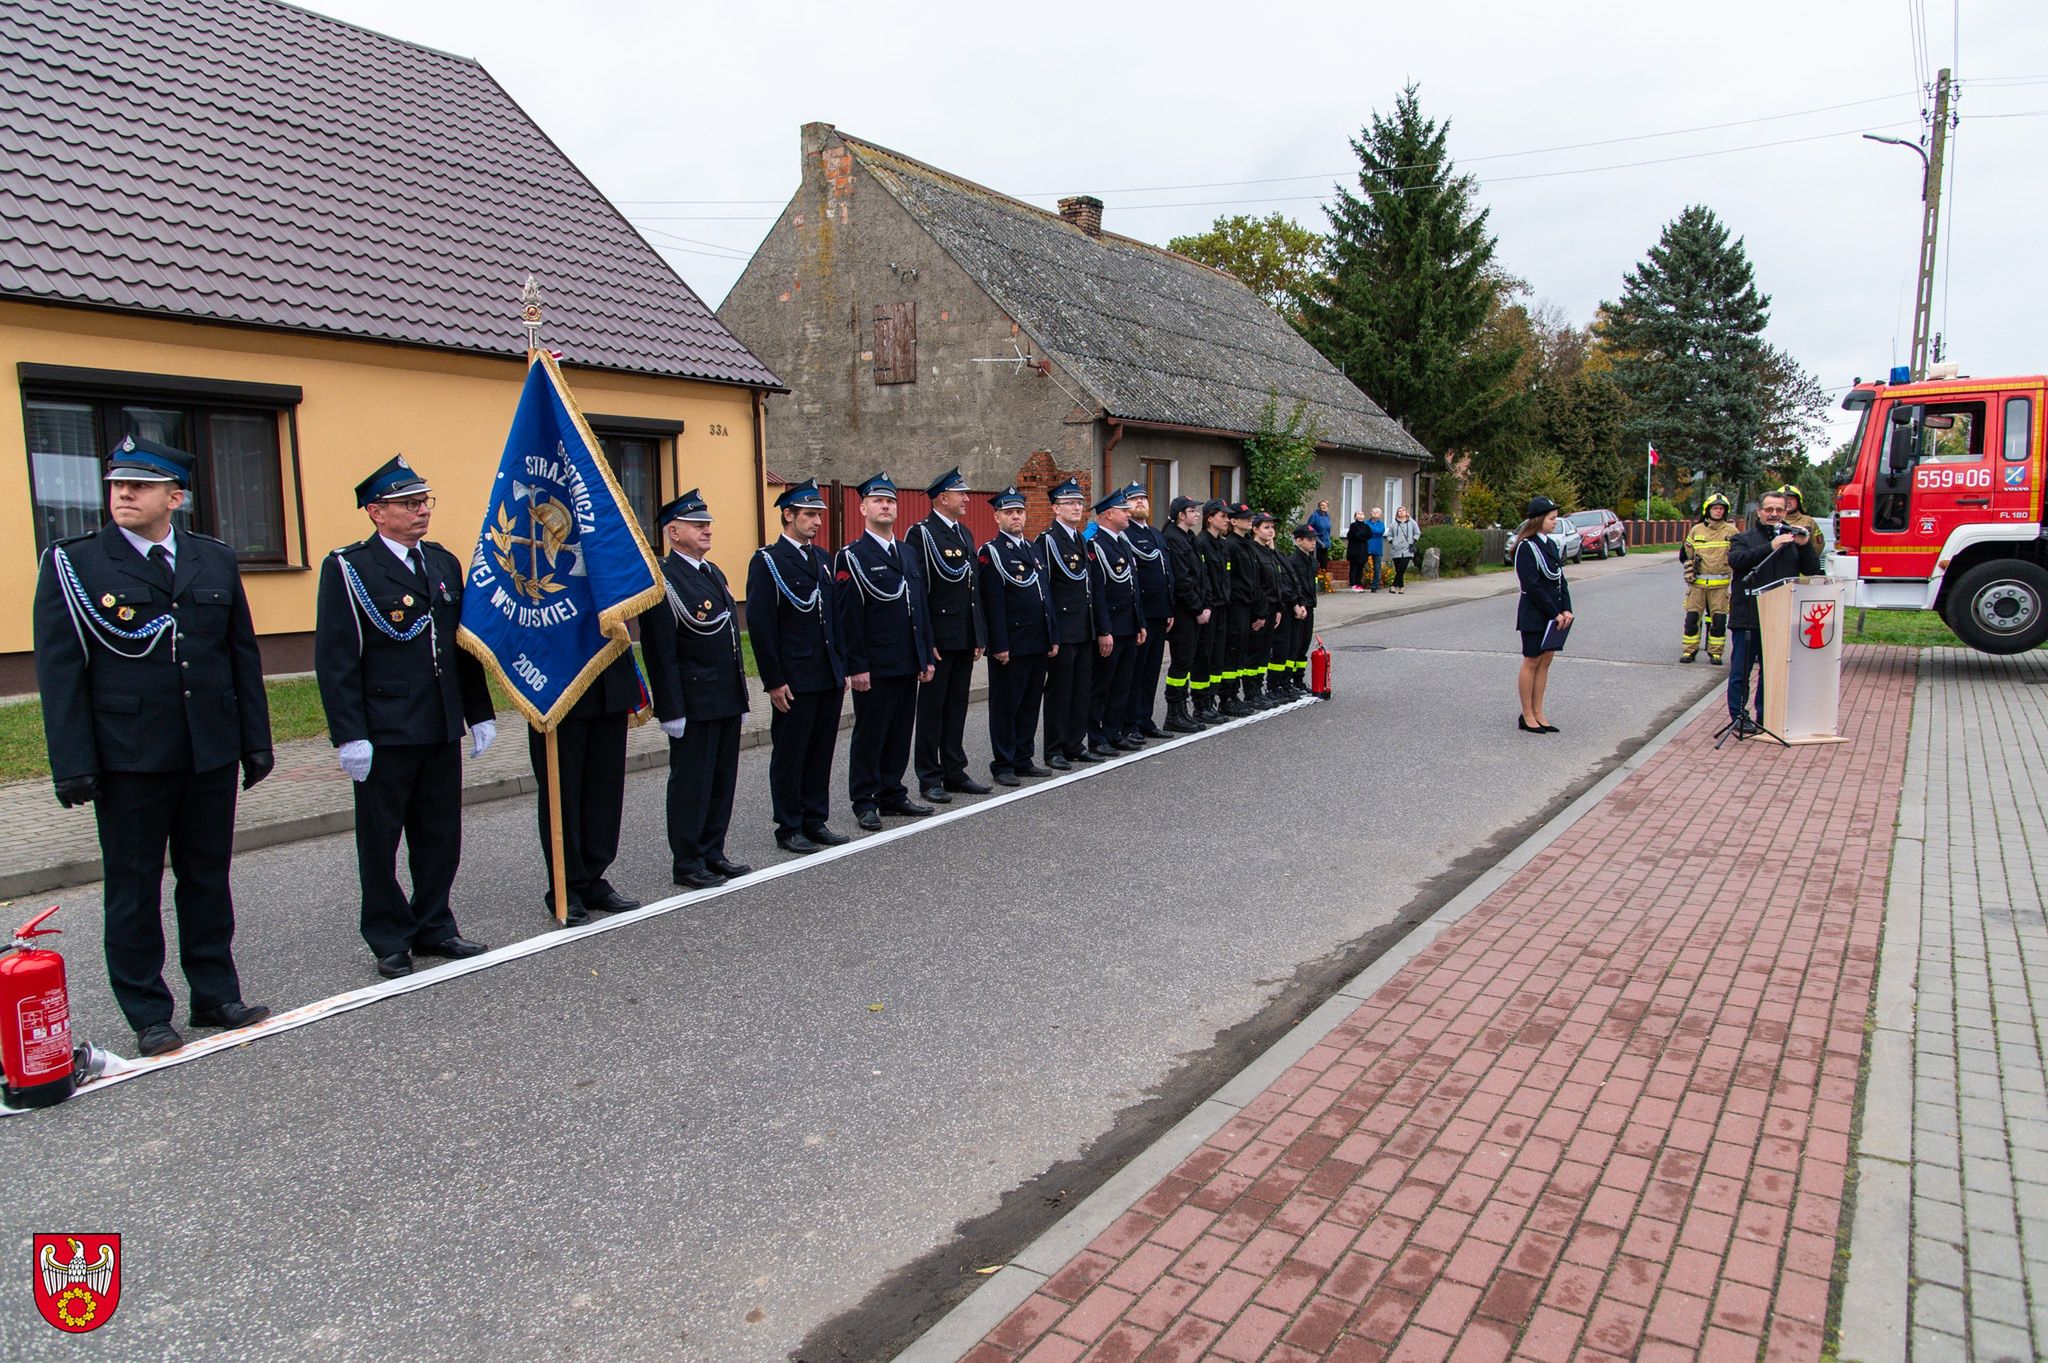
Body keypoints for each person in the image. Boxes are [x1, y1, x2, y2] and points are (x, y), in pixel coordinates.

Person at [32, 435, 274, 1056]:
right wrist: (74, 764)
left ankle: (215, 994)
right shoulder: (76, 563)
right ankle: (147, 1009)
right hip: (130, 755)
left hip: (208, 750)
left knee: (206, 877)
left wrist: (254, 741)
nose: (123, 495)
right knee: (134, 885)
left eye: (138, 486)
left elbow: (239, 654)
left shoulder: (211, 559)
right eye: (116, 485)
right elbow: (60, 673)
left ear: (176, 497)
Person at [315, 455, 495, 979]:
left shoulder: (441, 563)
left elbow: (461, 647)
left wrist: (478, 713)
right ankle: (390, 935)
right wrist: (350, 735)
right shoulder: (349, 567)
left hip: (440, 721)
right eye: (408, 504)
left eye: (424, 502)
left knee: (440, 833)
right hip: (386, 727)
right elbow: (336, 658)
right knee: (381, 838)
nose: (421, 512)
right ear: (376, 512)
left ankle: (435, 923)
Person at [642, 490, 752, 891]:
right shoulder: (664, 580)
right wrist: (670, 708)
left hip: (723, 695)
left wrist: (739, 695)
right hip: (692, 699)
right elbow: (661, 650)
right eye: (696, 523)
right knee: (692, 782)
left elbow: (730, 642)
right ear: (673, 532)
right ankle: (687, 860)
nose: (707, 529)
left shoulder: (712, 573)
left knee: (722, 778)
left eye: (707, 522)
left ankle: (712, 850)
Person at [745, 478, 848, 853]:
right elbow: (760, 623)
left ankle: (814, 818)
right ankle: (788, 827)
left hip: (826, 673)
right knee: (791, 753)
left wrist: (842, 667)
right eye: (809, 515)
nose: (817, 522)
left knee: (820, 750)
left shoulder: (821, 558)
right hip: (794, 676)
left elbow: (833, 617)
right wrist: (773, 680)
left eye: (819, 516)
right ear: (787, 515)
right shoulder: (768, 561)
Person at [834, 473, 936, 831]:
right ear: (863, 508)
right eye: (878, 501)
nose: (886, 506)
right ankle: (865, 800)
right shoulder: (853, 556)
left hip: (907, 659)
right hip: (875, 663)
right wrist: (857, 665)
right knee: (871, 732)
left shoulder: (907, 553)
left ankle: (892, 792)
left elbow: (919, 607)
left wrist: (924, 654)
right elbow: (849, 617)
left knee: (898, 730)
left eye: (890, 501)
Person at [527, 651, 642, 925]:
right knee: (563, 794)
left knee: (604, 793)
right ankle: (565, 887)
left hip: (608, 681)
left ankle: (593, 877)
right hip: (558, 686)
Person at [906, 467, 989, 804]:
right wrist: (927, 642)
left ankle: (954, 769)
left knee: (956, 706)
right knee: (932, 710)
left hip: (964, 635)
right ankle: (930, 776)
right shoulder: (921, 535)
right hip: (940, 638)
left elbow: (973, 588)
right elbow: (919, 591)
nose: (967, 499)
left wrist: (978, 633)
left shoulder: (965, 534)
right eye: (961, 494)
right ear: (943, 498)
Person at [978, 486, 1058, 784]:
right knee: (1006, 706)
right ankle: (1003, 764)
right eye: (1009, 512)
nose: (1016, 517)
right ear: (997, 516)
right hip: (1011, 643)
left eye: (1019, 511)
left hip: (1037, 641)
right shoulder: (991, 552)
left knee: (1029, 704)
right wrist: (998, 643)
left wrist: (1052, 636)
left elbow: (1044, 595)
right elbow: (992, 602)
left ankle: (1023, 757)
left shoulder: (1033, 548)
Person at [1727, 490, 1822, 732]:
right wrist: (1770, 546)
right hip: (1748, 616)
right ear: (1759, 512)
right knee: (1741, 671)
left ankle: (1766, 716)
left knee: (1772, 672)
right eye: (1769, 510)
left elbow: (1812, 570)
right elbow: (1738, 561)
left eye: (1779, 510)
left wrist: (1805, 546)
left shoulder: (1793, 540)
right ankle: (1739, 717)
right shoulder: (1744, 538)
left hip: (1779, 616)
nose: (1774, 514)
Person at [1038, 478, 1105, 768]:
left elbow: (1090, 585)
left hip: (1084, 626)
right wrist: (1051, 632)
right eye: (1070, 503)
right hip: (1064, 628)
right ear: (1055, 508)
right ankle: (1054, 749)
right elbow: (1046, 590)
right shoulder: (1048, 540)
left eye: (1079, 503)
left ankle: (1075, 743)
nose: (1077, 507)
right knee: (1060, 692)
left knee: (1080, 691)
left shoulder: (1080, 539)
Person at [1087, 486, 1146, 753]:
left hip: (1128, 625)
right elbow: (1097, 591)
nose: (1128, 514)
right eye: (1124, 510)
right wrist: (1104, 630)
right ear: (1109, 514)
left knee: (1122, 684)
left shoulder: (1122, 542)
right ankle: (1096, 736)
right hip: (1111, 626)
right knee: (1102, 686)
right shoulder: (1096, 544)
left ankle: (1114, 731)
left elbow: (1133, 586)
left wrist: (1140, 622)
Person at [1513, 496, 1573, 735]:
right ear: (1538, 520)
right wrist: (1554, 612)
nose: (1555, 522)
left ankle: (1539, 711)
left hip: (1554, 613)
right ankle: (1526, 714)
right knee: (1532, 660)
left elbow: (1560, 579)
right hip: (1535, 613)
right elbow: (1531, 585)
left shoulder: (1549, 544)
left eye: (1556, 517)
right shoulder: (1526, 547)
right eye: (1551, 518)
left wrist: (1566, 608)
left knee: (1546, 660)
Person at [1121, 482, 1174, 740]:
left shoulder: (1156, 534)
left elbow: (1166, 574)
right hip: (1141, 614)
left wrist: (1170, 608)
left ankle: (1145, 719)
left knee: (1152, 670)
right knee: (1135, 672)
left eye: (1143, 497)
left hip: (1160, 612)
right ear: (1125, 507)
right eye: (1134, 499)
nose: (1140, 502)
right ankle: (1129, 723)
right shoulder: (1126, 535)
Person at [1160, 495, 1210, 732]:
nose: (1197, 514)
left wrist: (1205, 604)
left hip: (1196, 610)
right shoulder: (1172, 538)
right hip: (1183, 612)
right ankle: (1174, 712)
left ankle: (1183, 710)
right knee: (1180, 663)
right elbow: (1182, 580)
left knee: (1188, 661)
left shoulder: (1189, 538)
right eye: (1193, 511)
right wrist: (1197, 608)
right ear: (1181, 514)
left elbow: (1201, 574)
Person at [1678, 493, 1737, 665]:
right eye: (1715, 508)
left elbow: (1738, 555)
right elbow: (1685, 554)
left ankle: (1716, 653)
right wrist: (1689, 566)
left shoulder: (1731, 531)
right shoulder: (1696, 530)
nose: (1718, 511)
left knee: (1718, 620)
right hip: (1697, 585)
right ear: (1707, 510)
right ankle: (1689, 651)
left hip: (1720, 586)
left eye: (1721, 509)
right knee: (1692, 619)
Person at [1194, 499, 1232, 721]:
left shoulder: (1221, 544)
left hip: (1222, 606)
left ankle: (1211, 701)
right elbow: (1204, 579)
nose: (1227, 520)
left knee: (1218, 656)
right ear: (1210, 518)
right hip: (1210, 607)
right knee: (1204, 657)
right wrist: (1206, 604)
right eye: (1223, 516)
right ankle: (1201, 703)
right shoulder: (1203, 543)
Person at [1219, 503, 1258, 714]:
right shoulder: (1231, 545)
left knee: (1241, 651)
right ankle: (1227, 697)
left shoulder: (1246, 544)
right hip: (1234, 605)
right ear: (1233, 521)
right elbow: (1230, 579)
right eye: (1245, 517)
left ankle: (1234, 694)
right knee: (1232, 652)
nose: (1249, 520)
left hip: (1246, 604)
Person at [1244, 512, 1285, 708]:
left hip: (1271, 608)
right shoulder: (1253, 551)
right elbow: (1256, 585)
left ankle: (1258, 689)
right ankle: (1251, 692)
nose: (1271, 531)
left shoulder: (1269, 551)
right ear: (1255, 529)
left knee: (1263, 652)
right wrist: (1260, 612)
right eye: (1266, 527)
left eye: (1272, 527)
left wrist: (1277, 608)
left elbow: (1275, 582)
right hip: (1259, 610)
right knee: (1254, 652)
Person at [1284, 524, 1321, 689]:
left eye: (1314, 540)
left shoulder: (1312, 561)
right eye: (1309, 540)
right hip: (1298, 608)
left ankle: (1299, 679)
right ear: (1299, 541)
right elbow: (1293, 586)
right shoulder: (1293, 561)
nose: (1313, 543)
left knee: (1304, 645)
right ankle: (1288, 680)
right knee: (1295, 645)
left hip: (1309, 606)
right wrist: (1297, 605)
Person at [1777, 484, 1827, 560]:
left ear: (1798, 501)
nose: (1788, 501)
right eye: (1785, 499)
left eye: (1791, 499)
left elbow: (1818, 546)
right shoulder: (1773, 520)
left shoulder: (1809, 521)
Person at [1385, 507, 1421, 594]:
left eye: (1403, 510)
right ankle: (1401, 587)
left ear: (1406, 512)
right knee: (1398, 569)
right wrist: (1392, 541)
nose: (1401, 512)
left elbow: (1417, 532)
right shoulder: (1393, 524)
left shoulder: (1412, 522)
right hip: (1396, 550)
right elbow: (1389, 534)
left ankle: (1394, 586)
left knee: (1402, 568)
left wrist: (1413, 541)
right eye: (1399, 511)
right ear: (1397, 513)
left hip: (1407, 549)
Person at [1344, 511, 1371, 590]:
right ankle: (1353, 584)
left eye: (1362, 514)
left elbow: (1369, 535)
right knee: (1354, 568)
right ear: (1355, 517)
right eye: (1358, 514)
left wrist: (1361, 536)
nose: (1360, 515)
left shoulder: (1366, 526)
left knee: (1360, 568)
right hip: (1354, 550)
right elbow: (1355, 535)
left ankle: (1358, 583)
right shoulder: (1353, 525)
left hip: (1363, 550)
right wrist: (1362, 536)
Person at [1363, 508, 1388, 592]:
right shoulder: (1366, 523)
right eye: (1373, 511)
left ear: (1380, 515)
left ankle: (1375, 586)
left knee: (1377, 568)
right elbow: (1366, 532)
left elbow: (1380, 531)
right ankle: (1359, 584)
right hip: (1366, 547)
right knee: (1361, 565)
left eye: (1377, 512)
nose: (1375, 513)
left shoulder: (1381, 524)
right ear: (1370, 513)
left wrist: (1371, 532)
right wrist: (1372, 533)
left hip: (1377, 548)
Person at [1308, 499, 1334, 565]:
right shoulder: (1315, 516)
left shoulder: (1327, 517)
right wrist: (1316, 538)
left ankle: (1323, 575)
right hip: (1316, 543)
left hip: (1325, 543)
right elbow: (1309, 527)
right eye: (1322, 505)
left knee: (1324, 563)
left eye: (1326, 505)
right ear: (1319, 507)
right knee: (1316, 563)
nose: (1324, 507)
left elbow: (1327, 530)